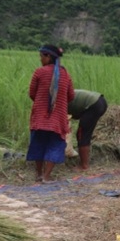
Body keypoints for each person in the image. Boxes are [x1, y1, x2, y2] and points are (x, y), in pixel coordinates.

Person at [26, 44, 75, 183]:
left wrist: (42, 101)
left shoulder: (39, 72)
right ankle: (47, 176)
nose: (40, 59)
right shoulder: (65, 74)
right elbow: (71, 96)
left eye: (41, 57)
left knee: (38, 144)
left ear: (48, 57)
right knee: (54, 145)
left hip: (40, 117)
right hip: (57, 118)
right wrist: (59, 102)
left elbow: (32, 93)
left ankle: (38, 175)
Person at [68, 89, 108, 170]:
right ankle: (84, 163)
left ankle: (84, 166)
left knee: (82, 135)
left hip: (93, 104)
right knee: (84, 133)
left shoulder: (56, 103)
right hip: (100, 100)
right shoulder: (59, 97)